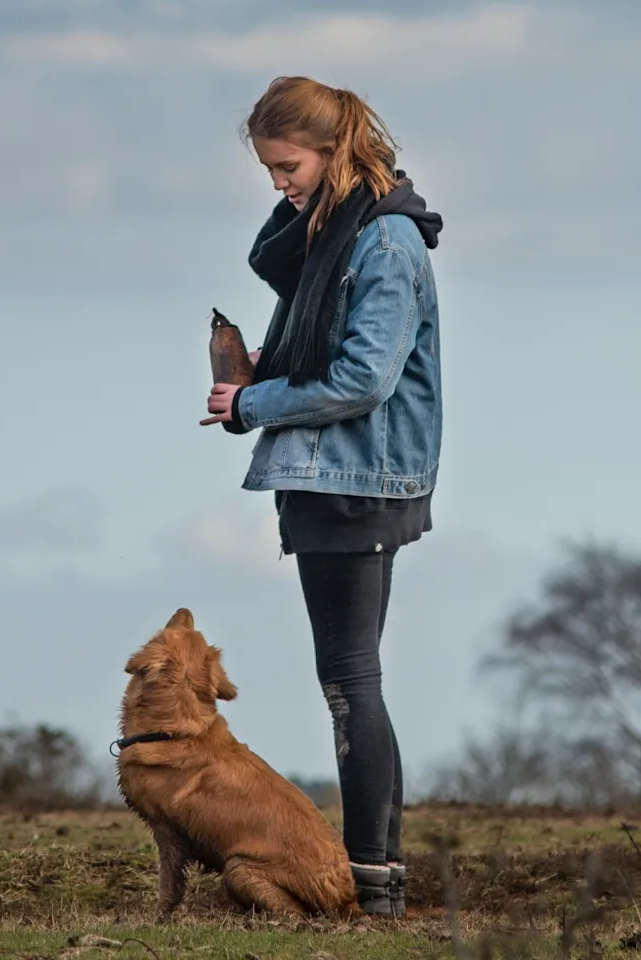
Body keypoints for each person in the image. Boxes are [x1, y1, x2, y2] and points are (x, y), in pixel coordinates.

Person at [198, 75, 443, 918]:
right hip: (329, 477)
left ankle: (373, 882)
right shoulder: (333, 235)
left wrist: (253, 403)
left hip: (359, 481)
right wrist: (257, 375)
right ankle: (377, 878)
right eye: (268, 171)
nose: (278, 184)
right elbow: (325, 355)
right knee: (349, 679)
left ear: (334, 148)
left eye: (287, 166)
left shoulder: (383, 245)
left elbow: (364, 379)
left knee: (349, 682)